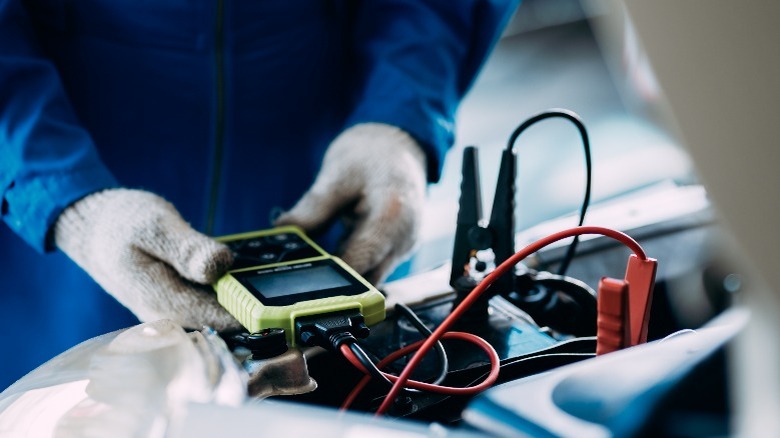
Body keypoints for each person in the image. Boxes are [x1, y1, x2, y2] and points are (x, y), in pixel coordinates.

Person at [0, 0, 518, 388]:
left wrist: (401, 112)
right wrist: (67, 199)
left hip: (333, 162)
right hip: (71, 208)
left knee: (356, 381)